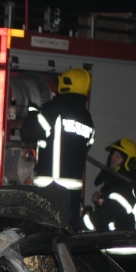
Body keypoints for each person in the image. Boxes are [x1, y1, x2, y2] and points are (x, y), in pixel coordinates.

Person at [22, 68, 96, 229]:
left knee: (44, 235)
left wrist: (32, 112)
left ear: (66, 85)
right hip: (73, 196)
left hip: (50, 191)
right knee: (65, 236)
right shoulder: (87, 119)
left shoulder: (55, 110)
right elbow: (85, 148)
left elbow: (28, 134)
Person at [86, 138, 136, 232]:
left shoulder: (123, 191)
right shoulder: (117, 186)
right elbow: (114, 216)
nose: (113, 157)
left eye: (118, 156)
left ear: (129, 162)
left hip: (125, 244)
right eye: (113, 154)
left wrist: (77, 219)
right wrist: (99, 202)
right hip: (118, 242)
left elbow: (97, 221)